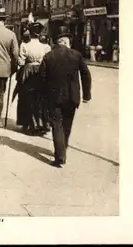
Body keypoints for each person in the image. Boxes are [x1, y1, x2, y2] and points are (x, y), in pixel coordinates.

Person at [39, 26, 92, 168]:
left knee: (56, 125)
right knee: (67, 124)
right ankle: (64, 147)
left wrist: (43, 96)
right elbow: (86, 74)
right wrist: (87, 94)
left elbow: (42, 78)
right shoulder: (76, 55)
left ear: (57, 42)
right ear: (67, 41)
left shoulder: (49, 56)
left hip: (54, 97)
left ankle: (60, 156)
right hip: (72, 96)